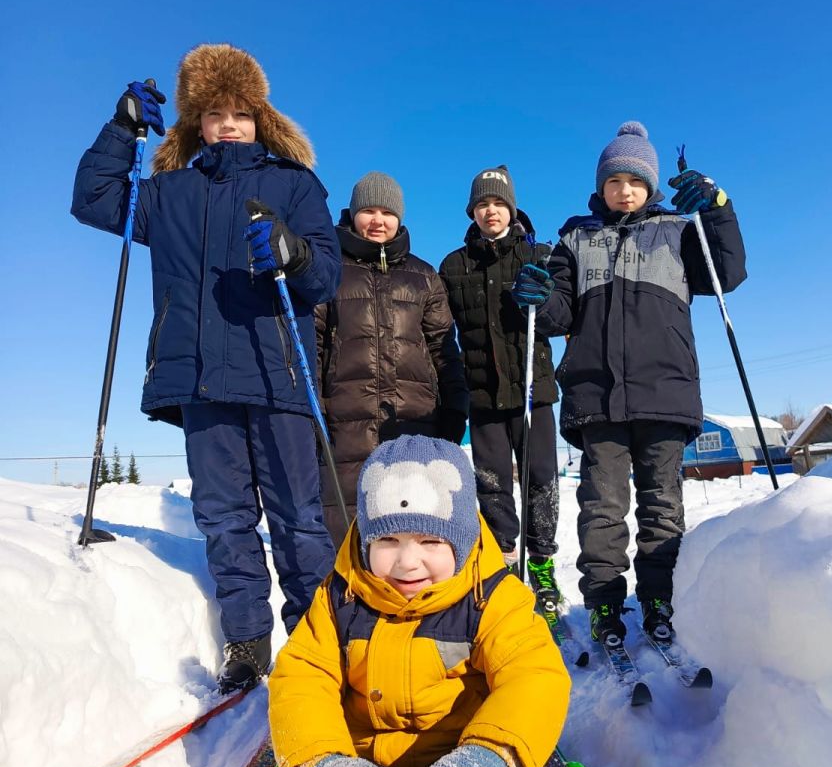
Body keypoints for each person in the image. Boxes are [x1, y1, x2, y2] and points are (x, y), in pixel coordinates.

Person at [197, 435, 573, 767]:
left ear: (463, 537)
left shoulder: (493, 597)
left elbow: (533, 674)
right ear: (364, 536)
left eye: (430, 540)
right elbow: (302, 676)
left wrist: (484, 763)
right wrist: (326, 766)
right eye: (389, 540)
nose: (408, 560)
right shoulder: (340, 598)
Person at [72, 44, 341, 693]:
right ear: (196, 122)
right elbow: (94, 199)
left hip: (277, 375)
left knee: (299, 516)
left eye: (240, 114)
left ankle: (317, 639)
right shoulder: (170, 193)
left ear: (260, 119)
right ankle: (246, 640)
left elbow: (326, 276)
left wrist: (294, 251)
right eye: (214, 114)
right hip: (200, 379)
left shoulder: (293, 185)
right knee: (223, 516)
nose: (228, 125)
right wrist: (121, 129)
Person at [512, 121, 747, 646]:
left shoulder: (679, 231)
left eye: (636, 182)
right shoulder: (575, 238)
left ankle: (661, 597)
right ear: (601, 186)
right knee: (603, 507)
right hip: (597, 398)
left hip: (665, 394)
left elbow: (727, 272)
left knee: (662, 505)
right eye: (615, 181)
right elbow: (556, 314)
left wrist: (717, 208)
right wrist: (533, 297)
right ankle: (604, 603)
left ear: (651, 187)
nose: (625, 191)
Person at [315, 172, 469, 546]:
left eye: (387, 212)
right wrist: (313, 413)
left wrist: (454, 409)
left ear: (399, 217)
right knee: (346, 530)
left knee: (410, 524)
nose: (378, 220)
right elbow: (312, 346)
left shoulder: (423, 276)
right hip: (344, 424)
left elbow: (443, 348)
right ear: (352, 214)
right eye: (368, 211)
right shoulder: (329, 270)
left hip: (414, 422)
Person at [439, 165, 561, 617]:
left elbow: (562, 316)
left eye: (498, 203)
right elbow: (442, 330)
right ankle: (505, 565)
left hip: (532, 391)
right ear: (472, 211)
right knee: (491, 485)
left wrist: (544, 298)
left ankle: (542, 566)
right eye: (482, 204)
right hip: (483, 395)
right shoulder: (454, 265)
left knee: (541, 479)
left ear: (512, 208)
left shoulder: (538, 254)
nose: (491, 211)